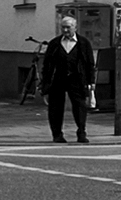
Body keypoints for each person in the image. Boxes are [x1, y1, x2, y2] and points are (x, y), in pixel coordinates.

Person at [39, 14, 96, 144]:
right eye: (63, 27)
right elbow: (47, 65)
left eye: (68, 28)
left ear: (75, 27)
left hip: (77, 79)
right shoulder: (55, 43)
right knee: (55, 108)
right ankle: (57, 134)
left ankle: (81, 132)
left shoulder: (83, 43)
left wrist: (91, 81)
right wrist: (45, 83)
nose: (65, 30)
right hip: (58, 78)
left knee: (80, 106)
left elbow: (90, 63)